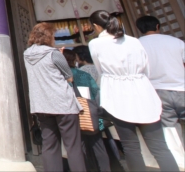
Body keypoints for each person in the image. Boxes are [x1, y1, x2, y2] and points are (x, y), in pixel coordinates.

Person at [88, 10, 178, 171]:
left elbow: (101, 70)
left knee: (131, 147)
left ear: (95, 26)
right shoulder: (134, 41)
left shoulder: (95, 44)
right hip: (143, 92)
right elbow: (146, 68)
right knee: (160, 147)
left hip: (118, 95)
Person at [23, 22, 86, 172]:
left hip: (42, 105)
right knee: (73, 146)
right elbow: (69, 77)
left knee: (49, 145)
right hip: (63, 104)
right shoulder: (53, 53)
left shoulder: (27, 54)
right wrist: (62, 56)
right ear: (48, 36)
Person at [137, 15, 185, 143]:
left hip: (156, 91)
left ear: (139, 29)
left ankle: (179, 159)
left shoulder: (136, 45)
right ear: (158, 26)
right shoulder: (176, 41)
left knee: (170, 129)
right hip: (181, 87)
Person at [63, 49, 110, 172]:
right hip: (92, 114)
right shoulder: (84, 75)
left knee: (79, 148)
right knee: (99, 146)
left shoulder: (60, 78)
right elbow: (97, 95)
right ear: (75, 60)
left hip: (73, 116)